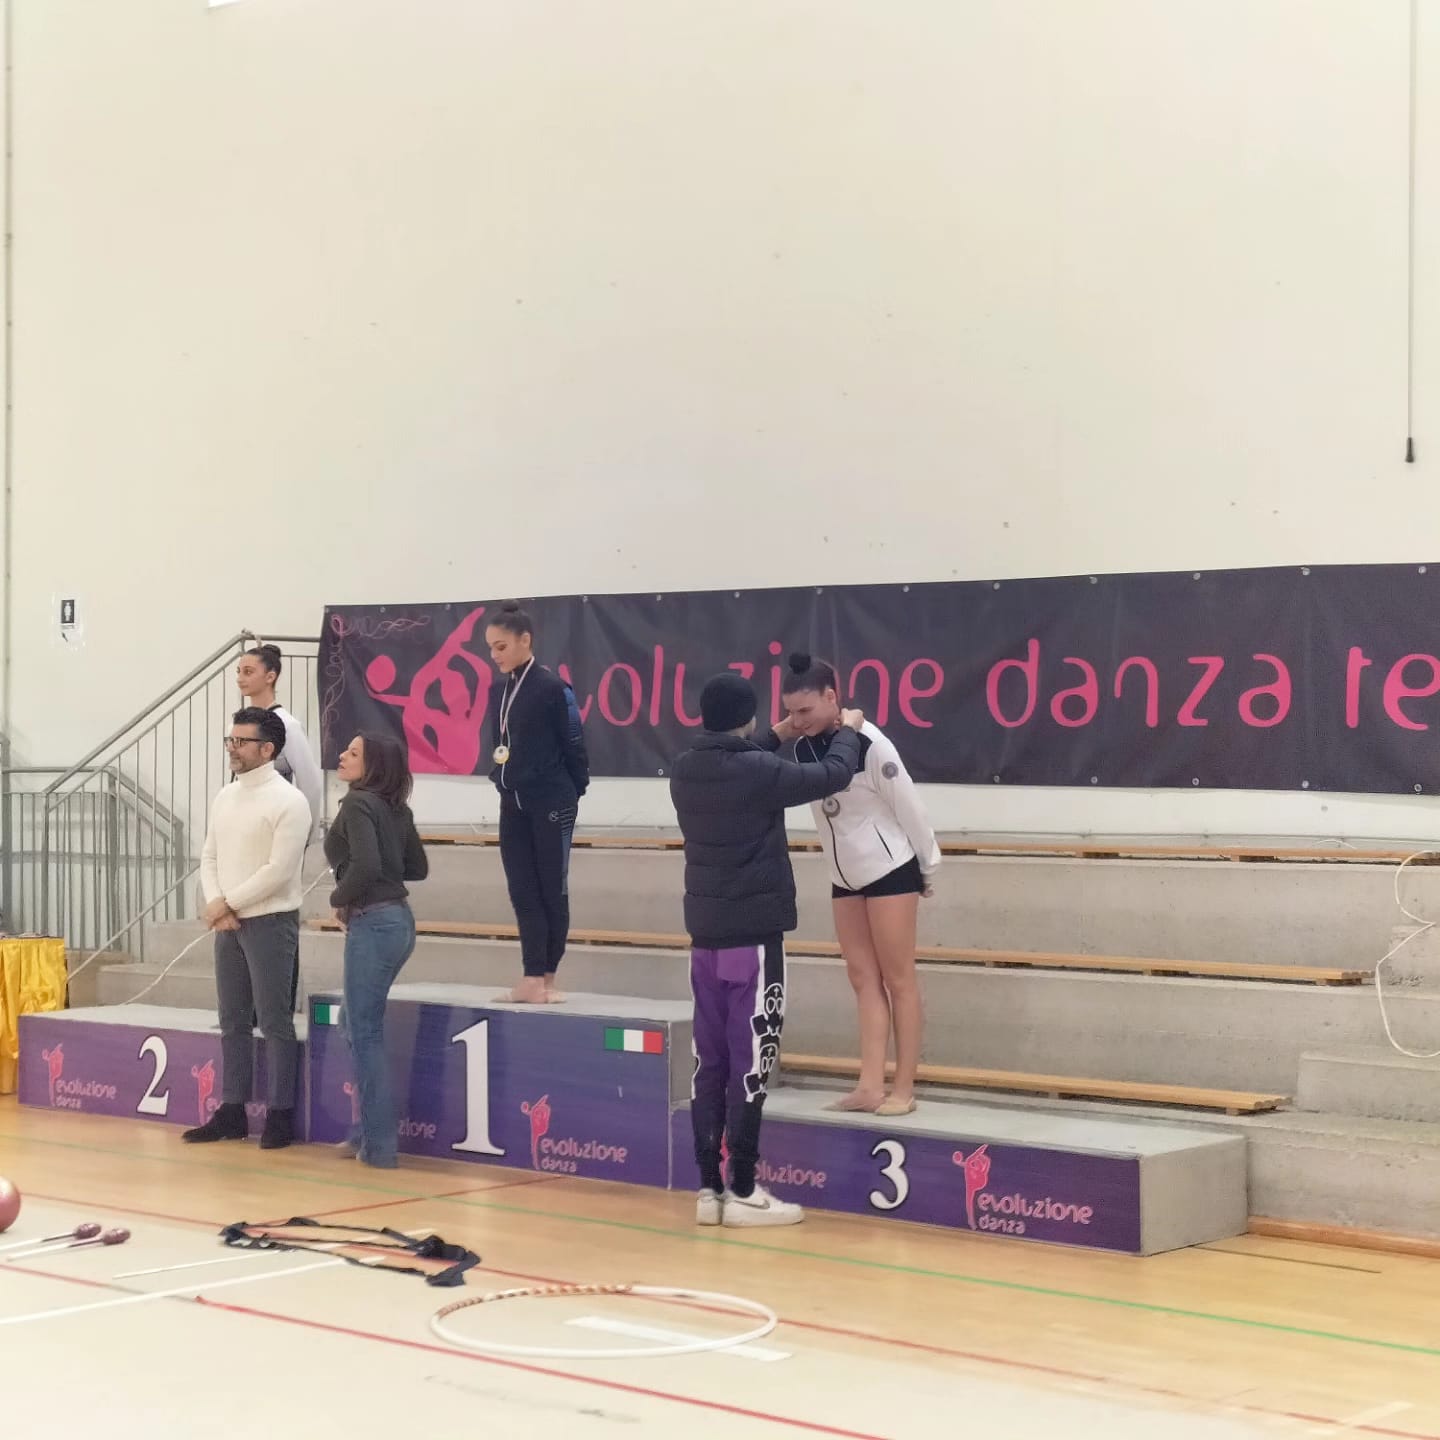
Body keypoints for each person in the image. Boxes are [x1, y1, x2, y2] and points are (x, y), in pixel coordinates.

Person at [670, 671, 865, 1228]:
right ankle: (744, 1188)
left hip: (704, 943)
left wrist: (777, 733)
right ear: (748, 717)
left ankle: (709, 1189)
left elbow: (737, 757)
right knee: (750, 1066)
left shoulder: (685, 769)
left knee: (709, 1065)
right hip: (753, 943)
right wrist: (849, 731)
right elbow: (832, 774)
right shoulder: (757, 771)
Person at [774, 652, 940, 1117]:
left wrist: (927, 866)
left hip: (891, 871)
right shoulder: (802, 747)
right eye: (790, 712)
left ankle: (903, 1089)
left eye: (805, 710)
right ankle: (869, 1085)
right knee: (862, 978)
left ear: (833, 697)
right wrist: (786, 729)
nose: (797, 720)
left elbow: (909, 807)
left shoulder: (871, 744)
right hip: (843, 876)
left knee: (898, 978)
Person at [183, 707, 313, 1149]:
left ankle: (280, 1114)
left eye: (241, 742)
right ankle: (232, 1109)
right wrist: (215, 903)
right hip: (228, 920)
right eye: (230, 740)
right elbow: (209, 855)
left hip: (270, 921)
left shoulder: (290, 801)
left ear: (268, 749)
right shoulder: (226, 796)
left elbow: (279, 870)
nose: (233, 748)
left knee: (275, 1020)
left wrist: (227, 903)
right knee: (232, 1019)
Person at [325, 731, 429, 1168]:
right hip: (400, 922)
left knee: (364, 1033)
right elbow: (417, 867)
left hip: (374, 922)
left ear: (374, 766)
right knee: (352, 1022)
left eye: (353, 753)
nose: (342, 756)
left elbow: (366, 866)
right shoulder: (395, 808)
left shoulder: (356, 804)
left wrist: (338, 898)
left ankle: (380, 1147)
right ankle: (365, 1131)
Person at [484, 602, 589, 1005]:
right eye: (491, 648)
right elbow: (502, 743)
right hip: (513, 801)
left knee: (551, 889)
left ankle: (546, 976)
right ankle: (531, 976)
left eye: (501, 647)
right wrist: (502, 781)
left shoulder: (553, 689)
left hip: (552, 801)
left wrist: (573, 791)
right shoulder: (500, 691)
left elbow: (574, 743)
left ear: (525, 640)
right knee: (522, 890)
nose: (495, 655)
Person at [236, 642, 324, 841]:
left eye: (248, 672)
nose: (240, 678)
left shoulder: (288, 725)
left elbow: (311, 785)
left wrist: (306, 835)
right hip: (243, 822)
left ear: (270, 677)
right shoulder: (238, 724)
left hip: (274, 825)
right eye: (239, 672)